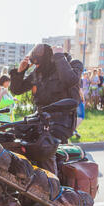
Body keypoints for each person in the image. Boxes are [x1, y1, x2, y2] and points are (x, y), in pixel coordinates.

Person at [9, 44, 83, 175]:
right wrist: (20, 72)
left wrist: (59, 56)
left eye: (38, 63)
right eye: (35, 64)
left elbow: (69, 80)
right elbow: (17, 89)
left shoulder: (72, 65)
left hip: (62, 122)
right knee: (11, 135)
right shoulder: (39, 73)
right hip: (40, 120)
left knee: (44, 147)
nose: (36, 67)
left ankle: (51, 187)